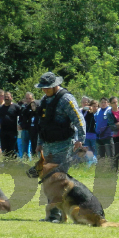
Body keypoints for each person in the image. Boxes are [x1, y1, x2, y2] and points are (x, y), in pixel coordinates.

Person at [34, 72, 86, 222]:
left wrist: (81, 139)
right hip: (48, 146)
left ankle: (58, 215)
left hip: (64, 145)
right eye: (43, 87)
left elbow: (79, 119)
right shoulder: (44, 100)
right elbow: (42, 124)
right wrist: (39, 143)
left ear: (55, 85)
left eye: (47, 87)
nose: (44, 90)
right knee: (48, 180)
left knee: (57, 180)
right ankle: (53, 214)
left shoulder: (66, 99)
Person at [0, 91, 21, 157]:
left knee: (13, 149)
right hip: (3, 132)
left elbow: (21, 117)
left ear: (11, 98)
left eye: (8, 97)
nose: (6, 98)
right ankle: (6, 162)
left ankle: (13, 161)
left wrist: (20, 125)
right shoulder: (0, 108)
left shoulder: (16, 107)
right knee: (4, 149)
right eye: (5, 97)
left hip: (13, 131)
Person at [17, 92, 35, 159]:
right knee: (24, 148)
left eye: (29, 98)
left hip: (33, 130)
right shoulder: (23, 107)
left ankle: (34, 160)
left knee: (34, 147)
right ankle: (25, 161)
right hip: (24, 129)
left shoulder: (34, 106)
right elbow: (20, 116)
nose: (28, 100)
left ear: (32, 98)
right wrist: (20, 124)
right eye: (27, 98)